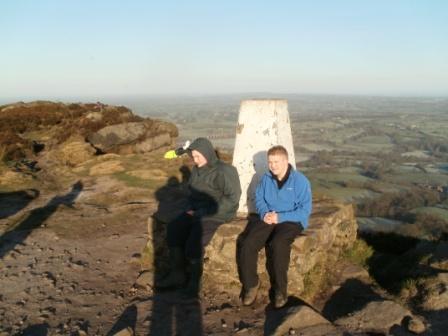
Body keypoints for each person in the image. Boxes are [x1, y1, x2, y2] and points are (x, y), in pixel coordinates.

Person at [158, 137, 241, 299]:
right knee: (174, 228)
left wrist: (201, 212)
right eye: (193, 157)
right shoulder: (196, 170)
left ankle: (194, 284)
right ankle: (177, 274)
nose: (195, 160)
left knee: (195, 239)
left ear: (208, 153)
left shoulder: (225, 171)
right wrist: (190, 208)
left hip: (217, 213)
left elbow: (233, 198)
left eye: (198, 156)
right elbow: (191, 193)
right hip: (197, 211)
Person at [238, 145, 312, 308]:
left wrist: (281, 217)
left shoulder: (300, 181)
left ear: (286, 161)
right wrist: (265, 214)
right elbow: (259, 199)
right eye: (270, 162)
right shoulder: (266, 179)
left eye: (276, 162)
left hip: (291, 219)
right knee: (248, 242)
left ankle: (280, 290)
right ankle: (251, 285)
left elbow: (304, 211)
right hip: (269, 217)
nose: (272, 165)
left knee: (278, 244)